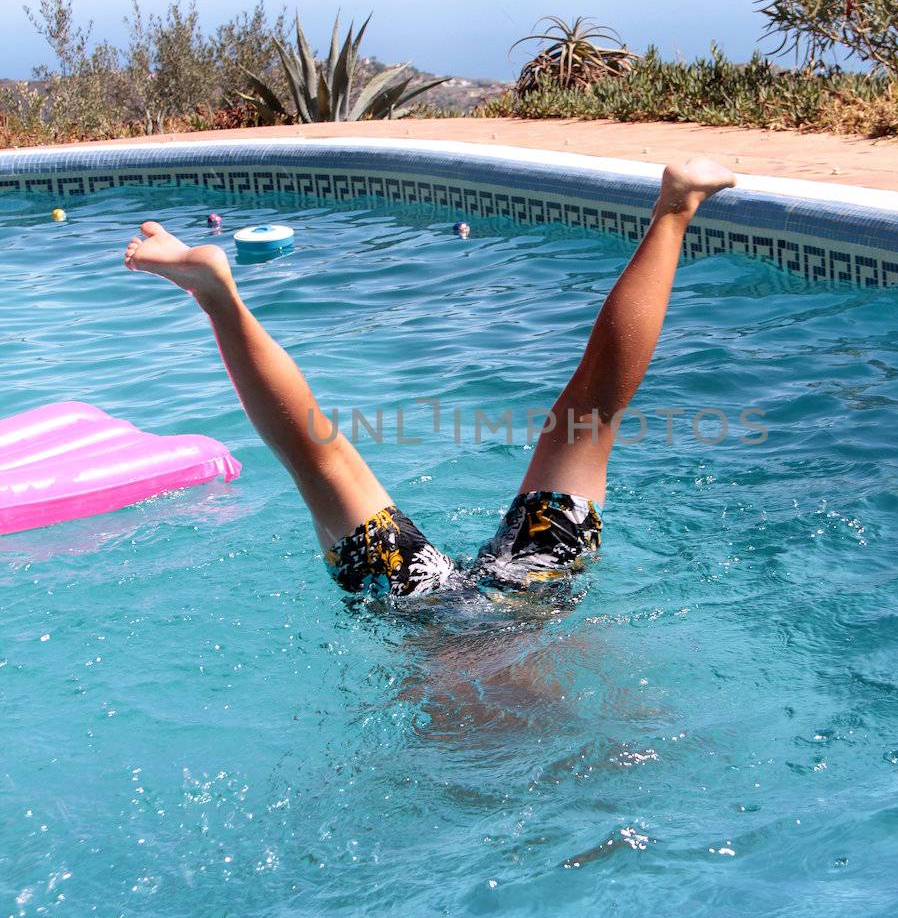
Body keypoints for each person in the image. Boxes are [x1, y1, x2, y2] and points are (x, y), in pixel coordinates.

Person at [124, 156, 735, 601]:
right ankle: (219, 301)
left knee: (590, 416)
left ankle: (675, 208)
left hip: (526, 596)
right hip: (427, 615)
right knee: (322, 464)